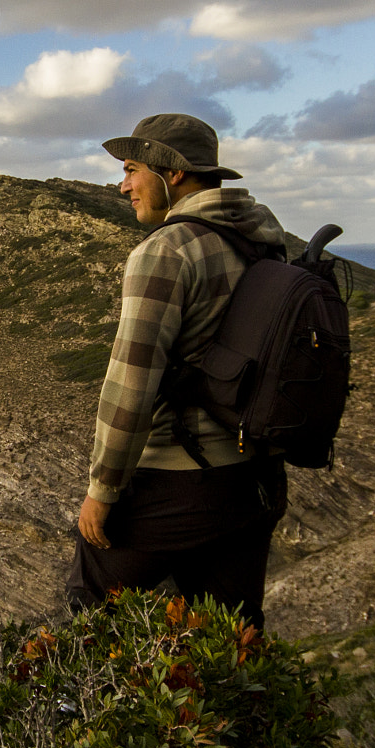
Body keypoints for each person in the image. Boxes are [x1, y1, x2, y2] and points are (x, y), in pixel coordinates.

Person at [67, 113, 289, 627]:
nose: (123, 186)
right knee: (230, 638)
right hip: (256, 482)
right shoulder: (263, 241)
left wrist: (102, 491)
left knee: (91, 601)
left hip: (183, 480)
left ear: (174, 174)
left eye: (131, 169)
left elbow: (131, 384)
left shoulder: (167, 251)